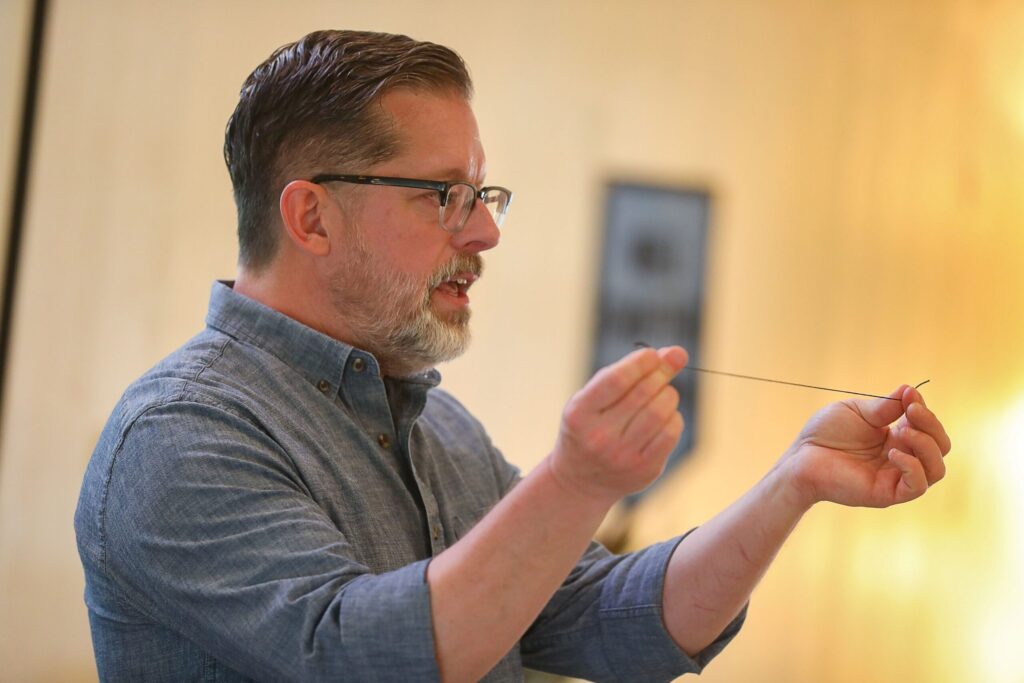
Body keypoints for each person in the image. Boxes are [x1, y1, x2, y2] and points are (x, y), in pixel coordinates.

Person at [74, 29, 952, 683]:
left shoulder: (435, 422)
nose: (486, 231)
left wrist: (792, 481)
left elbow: (611, 617)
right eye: (445, 195)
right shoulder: (177, 436)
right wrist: (577, 480)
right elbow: (362, 657)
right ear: (311, 218)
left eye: (484, 191)